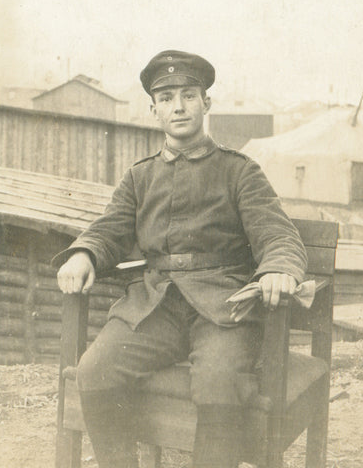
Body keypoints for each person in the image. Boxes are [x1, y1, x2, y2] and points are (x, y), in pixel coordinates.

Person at [54, 50, 308, 468]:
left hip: (223, 308)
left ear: (206, 103)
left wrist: (279, 267)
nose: (179, 106)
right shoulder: (140, 176)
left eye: (189, 95)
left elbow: (276, 232)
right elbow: (110, 228)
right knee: (95, 370)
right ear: (154, 109)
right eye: (167, 97)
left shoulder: (239, 171)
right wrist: (84, 252)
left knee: (218, 382)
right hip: (155, 305)